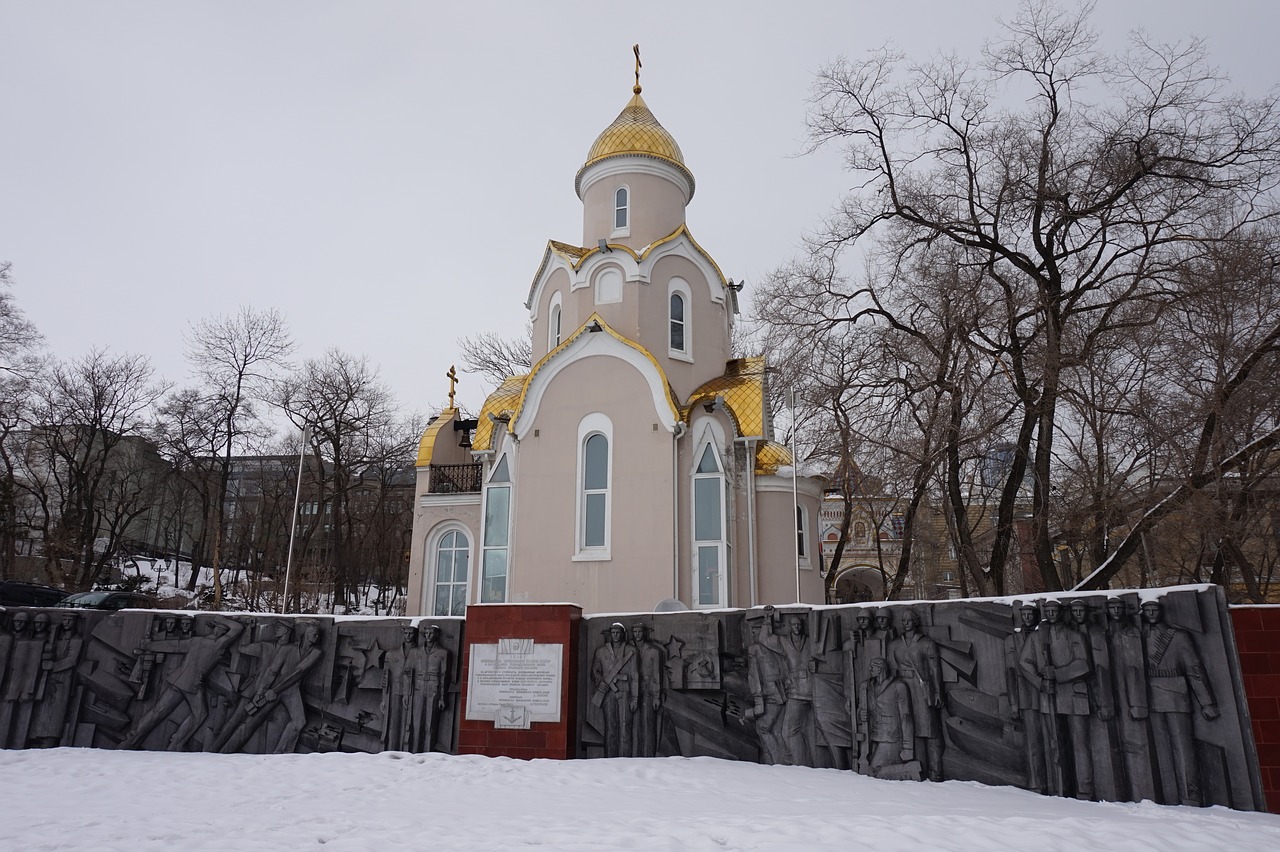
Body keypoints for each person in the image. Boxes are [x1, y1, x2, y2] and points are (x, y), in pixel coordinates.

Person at [120, 616, 245, 750]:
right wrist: (219, 619)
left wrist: (149, 645)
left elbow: (174, 645)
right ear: (221, 633)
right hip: (193, 686)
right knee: (199, 715)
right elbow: (238, 627)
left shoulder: (195, 641)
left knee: (157, 711)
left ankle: (131, 740)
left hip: (177, 680)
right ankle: (175, 743)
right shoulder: (219, 644)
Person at [1140, 599, 1219, 806]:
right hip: (1148, 697)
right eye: (1147, 610)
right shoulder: (1137, 636)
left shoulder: (1178, 636)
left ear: (1162, 611)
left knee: (1182, 748)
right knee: (1159, 749)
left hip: (1176, 695)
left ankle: (1190, 795)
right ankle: (1166, 795)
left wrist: (1206, 702)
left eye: (1154, 610)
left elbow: (1194, 670)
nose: (1151, 614)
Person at [1019, 600, 1094, 799]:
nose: (1051, 614)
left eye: (1055, 610)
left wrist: (1058, 673)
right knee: (1055, 744)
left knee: (1080, 744)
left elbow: (1084, 665)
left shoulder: (1074, 636)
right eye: (1048, 611)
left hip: (1074, 697)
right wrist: (1039, 681)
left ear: (1061, 612)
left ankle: (1085, 789)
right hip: (1048, 697)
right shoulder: (1036, 638)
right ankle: (1060, 788)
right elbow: (1024, 662)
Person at [214, 620, 323, 754]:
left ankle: (281, 753)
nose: (316, 637)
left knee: (299, 722)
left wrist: (274, 691)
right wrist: (261, 693)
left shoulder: (316, 652)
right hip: (273, 689)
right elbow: (272, 671)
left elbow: (298, 672)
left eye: (318, 635)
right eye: (314, 634)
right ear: (306, 634)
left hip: (290, 690)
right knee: (250, 723)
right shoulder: (287, 649)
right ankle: (225, 752)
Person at [1105, 597, 1154, 801]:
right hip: (1107, 690)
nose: (1116, 611)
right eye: (1112, 607)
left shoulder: (1132, 633)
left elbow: (1135, 666)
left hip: (1134, 693)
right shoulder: (1103, 633)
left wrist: (1137, 701)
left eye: (1119, 607)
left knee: (1137, 741)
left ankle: (1143, 792)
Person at [887, 608, 944, 781]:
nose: (905, 624)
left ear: (916, 621)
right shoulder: (894, 644)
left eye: (909, 620)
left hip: (921, 690)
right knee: (910, 729)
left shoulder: (927, 643)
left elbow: (935, 670)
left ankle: (936, 772)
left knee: (929, 729)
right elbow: (890, 670)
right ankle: (919, 770)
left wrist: (937, 692)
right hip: (902, 689)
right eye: (903, 621)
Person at [755, 610, 816, 766]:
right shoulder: (783, 642)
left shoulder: (811, 641)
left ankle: (800, 764)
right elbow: (764, 639)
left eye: (799, 624)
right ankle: (800, 762)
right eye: (794, 624)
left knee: (789, 731)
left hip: (809, 690)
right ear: (790, 626)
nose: (797, 627)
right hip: (796, 690)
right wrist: (767, 619)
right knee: (793, 731)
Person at [1005, 603, 1047, 794]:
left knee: (1051, 740)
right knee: (1033, 742)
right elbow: (1010, 672)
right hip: (1026, 696)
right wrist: (1014, 703)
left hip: (1049, 694)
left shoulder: (1044, 635)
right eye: (1025, 615)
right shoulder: (1011, 640)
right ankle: (1035, 782)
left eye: (1031, 614)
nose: (1028, 618)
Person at [861, 657, 917, 779]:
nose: (870, 669)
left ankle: (912, 771)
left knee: (873, 771)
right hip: (874, 737)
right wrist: (861, 713)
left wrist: (908, 747)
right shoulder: (869, 686)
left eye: (873, 667)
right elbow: (865, 707)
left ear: (880, 669)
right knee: (868, 770)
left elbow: (905, 717)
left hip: (891, 738)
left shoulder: (898, 687)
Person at [591, 623, 637, 758]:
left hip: (624, 692)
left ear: (623, 633)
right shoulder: (601, 651)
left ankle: (625, 760)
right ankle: (610, 760)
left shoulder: (630, 651)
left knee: (625, 729)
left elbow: (635, 675)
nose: (615, 635)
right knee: (611, 729)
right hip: (608, 694)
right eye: (613, 633)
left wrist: (635, 698)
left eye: (618, 632)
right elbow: (595, 671)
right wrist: (601, 683)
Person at [630, 622, 664, 757]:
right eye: (635, 632)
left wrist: (656, 696)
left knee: (648, 724)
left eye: (640, 631)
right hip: (632, 690)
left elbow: (657, 675)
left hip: (648, 689)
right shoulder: (628, 650)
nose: (637, 634)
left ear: (644, 632)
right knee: (634, 725)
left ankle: (648, 755)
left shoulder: (654, 651)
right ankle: (635, 755)